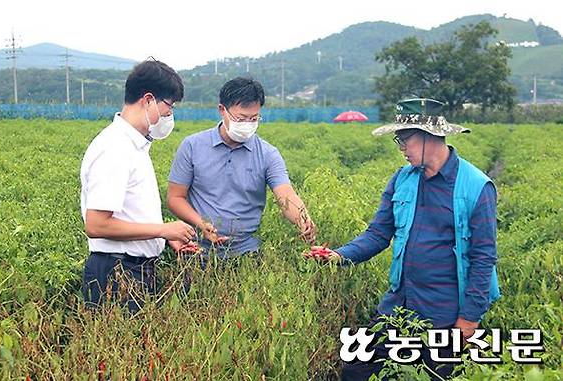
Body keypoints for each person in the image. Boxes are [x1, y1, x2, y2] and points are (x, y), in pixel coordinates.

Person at [317, 99, 500, 380]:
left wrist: (468, 319)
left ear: (431, 135)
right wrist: (339, 256)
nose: (401, 148)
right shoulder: (402, 179)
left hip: (443, 312)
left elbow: (483, 256)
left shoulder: (476, 187)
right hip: (398, 305)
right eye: (397, 140)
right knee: (356, 369)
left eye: (405, 139)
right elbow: (378, 234)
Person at [80, 59, 196, 313]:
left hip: (135, 269)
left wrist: (163, 236)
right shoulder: (115, 148)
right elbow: (97, 224)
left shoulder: (135, 146)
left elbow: (131, 214)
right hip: (116, 271)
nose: (169, 115)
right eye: (169, 106)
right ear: (148, 100)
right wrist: (163, 229)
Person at [167, 77, 316, 259]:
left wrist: (303, 220)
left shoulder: (268, 154)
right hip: (196, 249)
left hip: (246, 251)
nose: (247, 125)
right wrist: (201, 223)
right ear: (222, 110)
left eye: (253, 119)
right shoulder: (192, 146)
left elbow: (286, 196)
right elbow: (175, 198)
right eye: (241, 118)